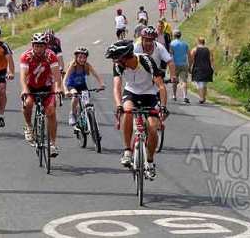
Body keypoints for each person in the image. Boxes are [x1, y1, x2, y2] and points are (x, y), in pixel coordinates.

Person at [105, 40, 168, 181]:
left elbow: (162, 87)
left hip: (150, 94)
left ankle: (150, 162)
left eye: (118, 60)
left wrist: (163, 107)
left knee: (152, 127)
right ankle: (127, 150)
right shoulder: (118, 65)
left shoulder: (146, 61)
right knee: (127, 111)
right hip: (131, 92)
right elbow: (117, 87)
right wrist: (118, 105)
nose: (115, 62)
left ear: (126, 57)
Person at [19, 33, 62, 157]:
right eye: (36, 46)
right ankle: (29, 126)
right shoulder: (26, 56)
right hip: (31, 87)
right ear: (33, 46)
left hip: (47, 87)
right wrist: (24, 90)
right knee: (27, 103)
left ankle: (53, 144)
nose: (38, 49)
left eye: (41, 46)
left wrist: (58, 87)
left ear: (46, 46)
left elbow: (57, 75)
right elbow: (23, 76)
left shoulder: (51, 56)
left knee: (51, 112)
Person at [63, 47, 105, 126]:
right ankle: (72, 113)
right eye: (80, 57)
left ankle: (88, 116)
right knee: (75, 96)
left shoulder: (87, 65)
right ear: (76, 57)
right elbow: (65, 79)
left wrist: (102, 84)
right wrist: (66, 90)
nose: (82, 59)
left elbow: (96, 74)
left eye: (84, 58)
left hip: (82, 85)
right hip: (72, 86)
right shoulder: (72, 66)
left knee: (87, 102)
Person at [0, 26, 15, 127]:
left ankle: (1, 116)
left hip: (0, 72)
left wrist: (11, 73)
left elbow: (10, 60)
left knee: (2, 90)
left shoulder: (4, 46)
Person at [190, 37, 216, 104]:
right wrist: (215, 69)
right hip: (207, 68)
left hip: (198, 68)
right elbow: (212, 60)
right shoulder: (209, 50)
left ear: (198, 42)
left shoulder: (195, 50)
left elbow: (191, 59)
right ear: (204, 42)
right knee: (204, 84)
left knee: (199, 84)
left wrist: (190, 67)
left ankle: (201, 98)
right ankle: (204, 97)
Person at [170, 30, 192, 103]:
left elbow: (170, 54)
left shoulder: (172, 44)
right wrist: (189, 66)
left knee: (174, 80)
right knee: (184, 81)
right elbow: (189, 56)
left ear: (174, 35)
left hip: (175, 64)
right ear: (180, 35)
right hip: (184, 64)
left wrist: (169, 65)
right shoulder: (185, 44)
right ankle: (185, 96)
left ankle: (174, 95)